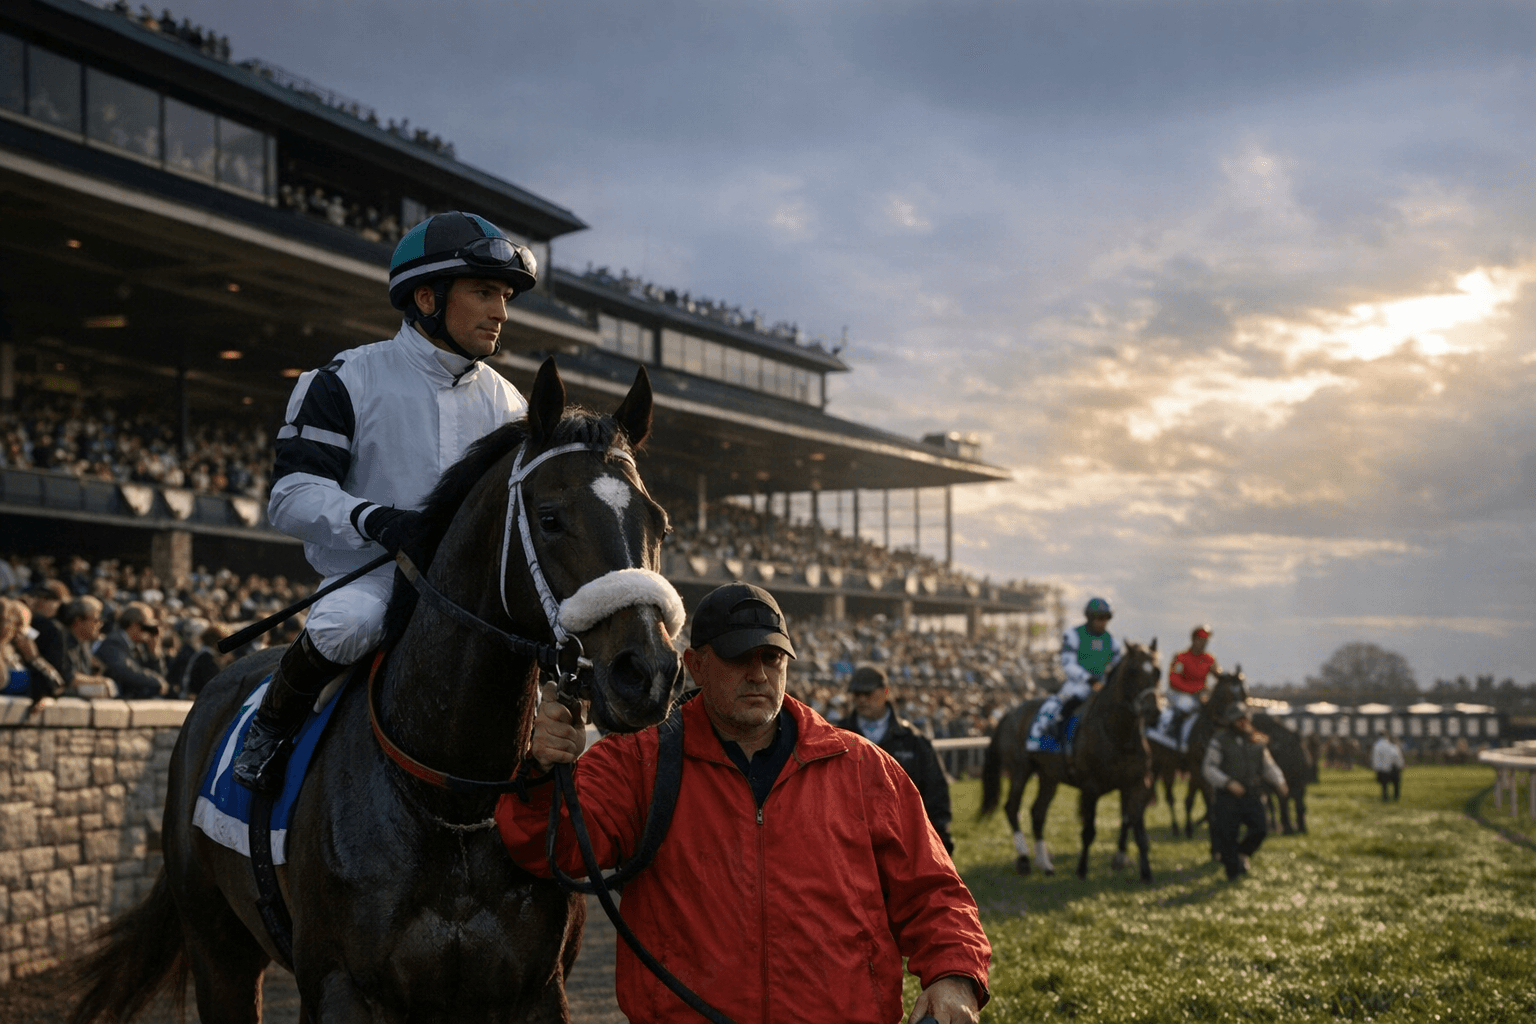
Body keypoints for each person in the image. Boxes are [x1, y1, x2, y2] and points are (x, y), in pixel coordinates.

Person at [497, 582, 990, 1024]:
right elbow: (552, 848)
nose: (758, 673)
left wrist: (954, 973)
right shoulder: (634, 762)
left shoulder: (864, 767)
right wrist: (542, 773)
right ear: (695, 665)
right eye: (739, 657)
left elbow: (934, 891)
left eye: (771, 658)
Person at [233, 211, 537, 791]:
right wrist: (376, 519)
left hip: (469, 594)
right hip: (371, 578)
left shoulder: (513, 406)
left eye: (504, 295)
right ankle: (269, 728)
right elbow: (291, 497)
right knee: (348, 624)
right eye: (483, 292)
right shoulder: (344, 378)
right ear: (427, 296)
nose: (500, 311)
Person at [838, 664, 956, 854]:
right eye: (856, 694)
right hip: (852, 845)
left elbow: (936, 792)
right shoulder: (837, 737)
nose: (861, 700)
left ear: (885, 692)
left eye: (867, 694)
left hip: (903, 842)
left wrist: (942, 837)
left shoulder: (914, 741)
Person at [1202, 702, 1287, 881]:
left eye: (1244, 719)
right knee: (1228, 835)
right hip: (1228, 797)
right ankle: (1233, 873)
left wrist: (1279, 781)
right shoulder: (1220, 741)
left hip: (1252, 794)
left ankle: (1243, 853)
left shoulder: (1256, 741)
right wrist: (1227, 782)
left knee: (1260, 829)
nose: (1242, 722)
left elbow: (1267, 765)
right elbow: (1209, 768)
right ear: (1231, 722)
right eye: (1238, 720)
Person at [1030, 596, 1121, 747]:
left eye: (1106, 618)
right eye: (1099, 618)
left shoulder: (1112, 642)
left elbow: (1117, 666)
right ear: (1090, 618)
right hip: (1077, 683)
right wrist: (1089, 679)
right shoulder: (1073, 635)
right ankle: (1055, 732)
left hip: (1102, 686)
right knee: (1068, 701)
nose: (1103, 621)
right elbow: (1068, 664)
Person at [1149, 625, 1218, 751]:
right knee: (1187, 705)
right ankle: (1176, 737)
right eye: (1200, 640)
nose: (1203, 643)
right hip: (1178, 693)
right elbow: (1174, 681)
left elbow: (1218, 674)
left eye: (1206, 641)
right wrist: (1195, 690)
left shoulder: (1209, 659)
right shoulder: (1181, 657)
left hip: (1198, 696)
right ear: (1193, 639)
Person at [95, 601, 172, 698]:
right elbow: (126, 671)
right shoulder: (114, 642)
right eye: (146, 627)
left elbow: (160, 678)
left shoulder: (139, 646)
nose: (149, 633)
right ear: (134, 625)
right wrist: (156, 681)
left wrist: (155, 654)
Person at [1, 597, 65, 701]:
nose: (22, 633)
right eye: (18, 625)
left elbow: (57, 685)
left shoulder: (22, 655)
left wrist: (35, 658)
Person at [57, 597, 116, 698]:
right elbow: (69, 678)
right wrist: (98, 681)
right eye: (96, 620)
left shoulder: (84, 643)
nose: (100, 625)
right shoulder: (62, 641)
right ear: (78, 621)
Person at [1371, 729, 1405, 802]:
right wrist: (1400, 764)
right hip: (1394, 767)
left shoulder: (1377, 745)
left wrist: (1375, 767)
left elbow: (1375, 757)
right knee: (1396, 784)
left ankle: (1385, 797)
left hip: (1383, 768)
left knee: (1384, 785)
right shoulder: (1392, 744)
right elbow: (1397, 755)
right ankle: (1396, 797)